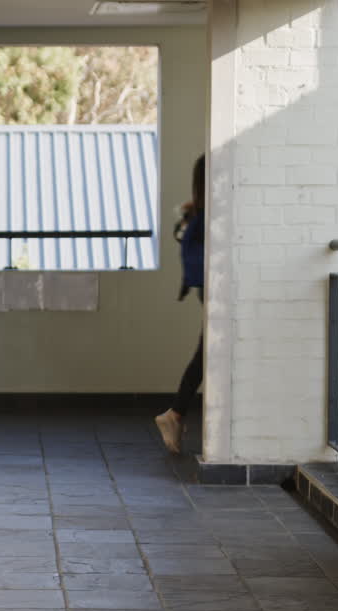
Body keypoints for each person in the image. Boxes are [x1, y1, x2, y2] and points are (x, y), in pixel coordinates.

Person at [155, 154, 205, 454]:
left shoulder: (200, 210)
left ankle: (175, 414)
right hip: (214, 286)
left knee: (207, 352)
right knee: (207, 352)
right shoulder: (210, 212)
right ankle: (174, 414)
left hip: (207, 287)